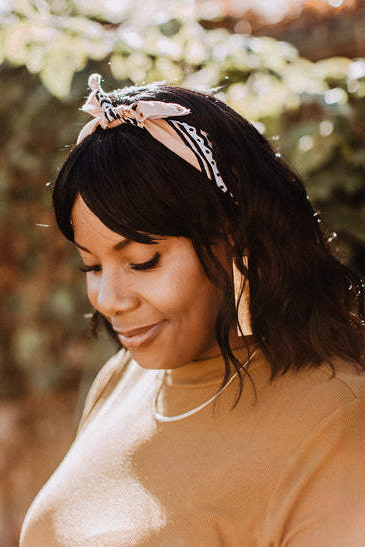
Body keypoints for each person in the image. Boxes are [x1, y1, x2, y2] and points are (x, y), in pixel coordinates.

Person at [20, 74, 365, 546]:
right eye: (91, 266)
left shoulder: (339, 422)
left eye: (143, 262)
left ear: (237, 239)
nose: (109, 300)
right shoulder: (122, 379)